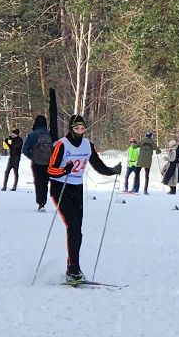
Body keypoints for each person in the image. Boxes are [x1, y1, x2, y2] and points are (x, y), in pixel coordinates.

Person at [44, 114, 121, 282]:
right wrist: (64, 170)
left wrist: (112, 171)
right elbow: (50, 170)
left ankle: (73, 266)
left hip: (77, 189)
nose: (79, 131)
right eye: (76, 128)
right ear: (71, 129)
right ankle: (73, 269)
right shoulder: (61, 145)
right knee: (72, 226)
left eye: (82, 128)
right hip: (60, 188)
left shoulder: (87, 145)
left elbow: (97, 164)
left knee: (77, 230)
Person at [26, 114, 54, 211]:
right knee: (46, 182)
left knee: (39, 182)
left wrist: (33, 157)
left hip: (37, 163)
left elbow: (25, 150)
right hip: (49, 163)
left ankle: (41, 203)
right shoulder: (51, 134)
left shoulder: (32, 135)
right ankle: (49, 200)